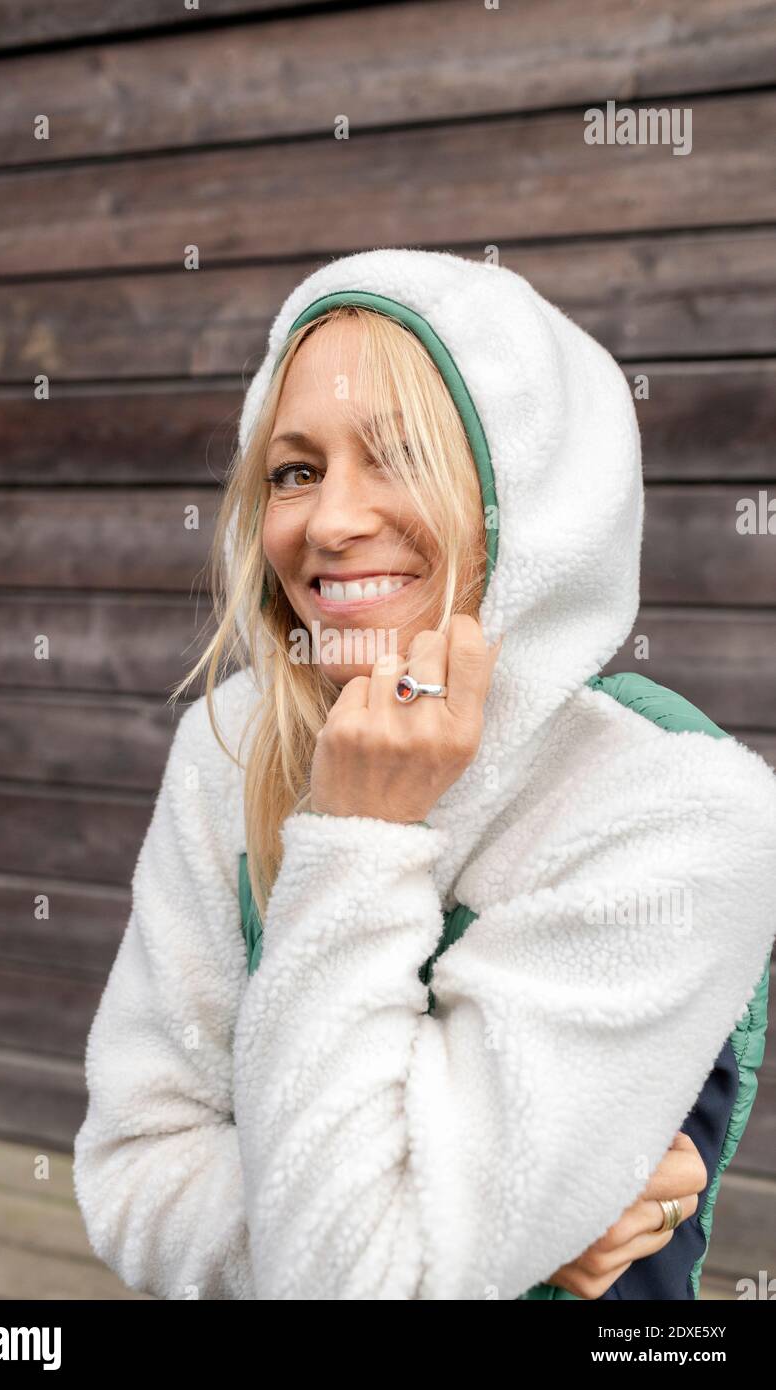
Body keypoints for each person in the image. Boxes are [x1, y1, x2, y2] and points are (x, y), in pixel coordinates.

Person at [73, 248, 776, 1301]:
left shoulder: (674, 812)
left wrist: (355, 837)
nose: (330, 522)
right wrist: (475, 1231)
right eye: (294, 469)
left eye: (398, 453)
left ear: (526, 493)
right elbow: (132, 1165)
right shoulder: (228, 748)